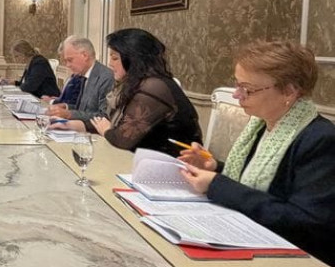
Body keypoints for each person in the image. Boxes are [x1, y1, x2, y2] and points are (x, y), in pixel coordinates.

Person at [179, 41, 335, 265]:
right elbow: (255, 181)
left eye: (248, 89)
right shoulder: (263, 125)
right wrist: (215, 167)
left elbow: (307, 224)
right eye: (237, 85)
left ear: (289, 91)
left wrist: (216, 185)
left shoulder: (320, 139)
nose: (237, 95)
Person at [58, 28, 201, 156]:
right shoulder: (133, 84)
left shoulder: (154, 87)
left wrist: (106, 130)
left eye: (114, 58)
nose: (109, 63)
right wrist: (71, 125)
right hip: (138, 159)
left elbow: (122, 139)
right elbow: (108, 123)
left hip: (172, 167)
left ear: (133, 59)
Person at [45, 36, 114, 131]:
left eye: (70, 60)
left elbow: (104, 116)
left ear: (84, 55)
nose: (67, 65)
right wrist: (66, 107)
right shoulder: (84, 75)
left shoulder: (106, 77)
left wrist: (69, 114)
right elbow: (83, 109)